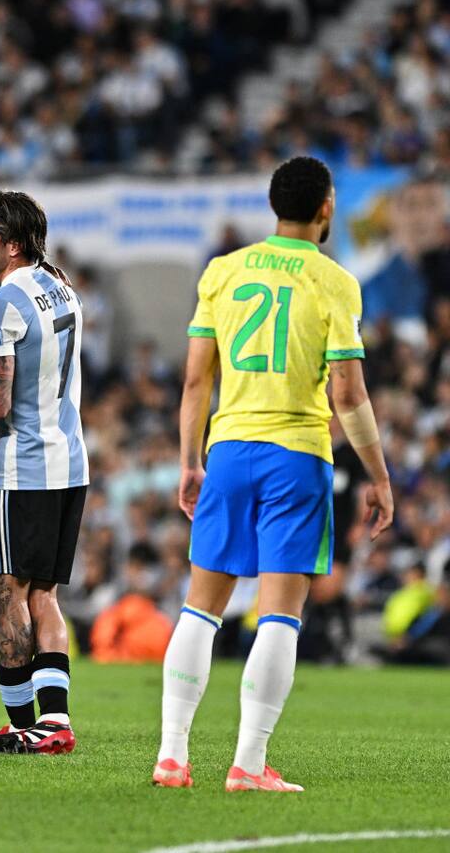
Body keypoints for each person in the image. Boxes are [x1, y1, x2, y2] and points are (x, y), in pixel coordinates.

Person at [154, 156, 393, 793]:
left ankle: (172, 757)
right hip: (296, 454)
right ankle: (248, 764)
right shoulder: (336, 281)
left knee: (200, 608)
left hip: (228, 450)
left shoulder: (223, 270)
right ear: (327, 209)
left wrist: (189, 459)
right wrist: (378, 473)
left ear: (272, 205)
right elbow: (348, 393)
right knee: (279, 615)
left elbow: (196, 379)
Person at [0, 192, 89, 755]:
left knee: (8, 594)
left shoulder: (3, 303)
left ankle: (22, 724)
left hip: (24, 466)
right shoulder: (61, 285)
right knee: (44, 594)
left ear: (12, 245)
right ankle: (54, 724)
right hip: (70, 461)